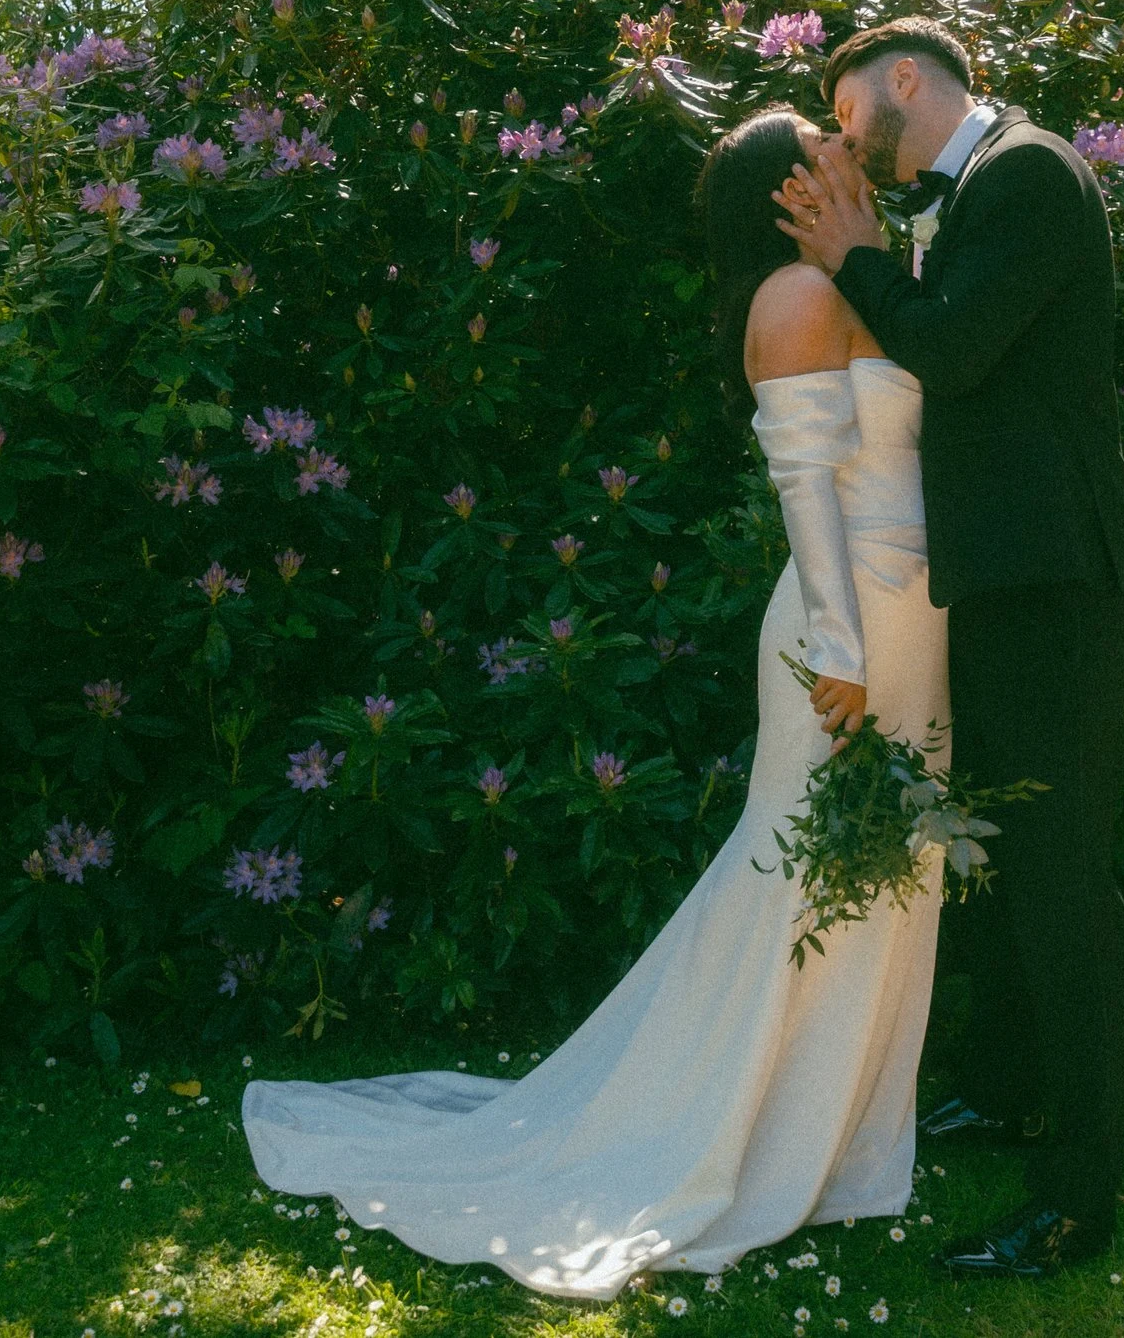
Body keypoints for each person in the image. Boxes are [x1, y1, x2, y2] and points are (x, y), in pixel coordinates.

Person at [240, 107, 952, 1301]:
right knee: (805, 871)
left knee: (893, 871)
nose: (846, 155)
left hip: (916, 618)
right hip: (854, 623)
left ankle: (834, 1137)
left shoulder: (863, 283)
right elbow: (803, 487)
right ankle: (723, 1129)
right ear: (785, 193)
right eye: (819, 151)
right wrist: (837, 645)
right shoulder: (792, 300)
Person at [775, 16, 1124, 1281]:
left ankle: (1074, 1199)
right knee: (1001, 856)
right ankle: (1011, 1094)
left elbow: (949, 345)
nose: (847, 146)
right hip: (1001, 583)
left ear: (901, 81)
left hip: (1057, 587)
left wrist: (856, 254)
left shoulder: (1032, 171)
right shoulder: (987, 187)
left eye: (847, 113)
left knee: (1059, 882)